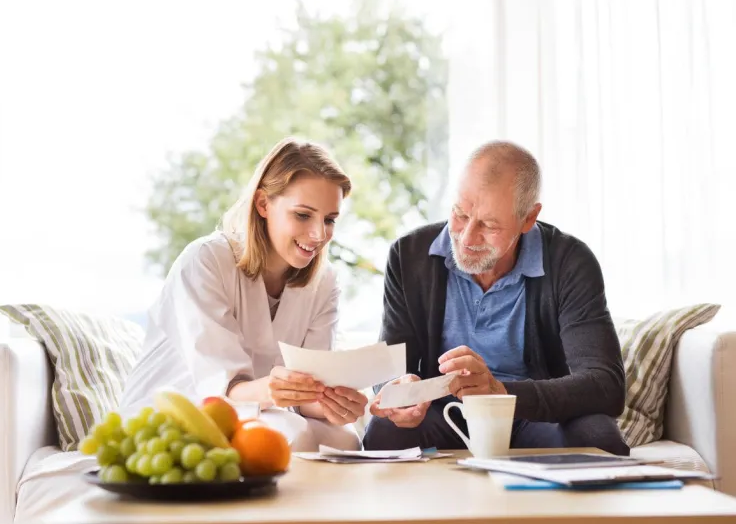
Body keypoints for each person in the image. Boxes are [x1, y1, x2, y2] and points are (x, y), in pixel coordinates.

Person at [363, 140, 630, 456]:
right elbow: (390, 367)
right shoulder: (408, 256)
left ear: (528, 219)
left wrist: (499, 392)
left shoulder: (570, 262)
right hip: (447, 413)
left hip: (532, 415)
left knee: (598, 435)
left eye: (489, 225)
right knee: (384, 432)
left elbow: (605, 385)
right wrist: (399, 392)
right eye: (460, 214)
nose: (466, 237)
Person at [119, 137, 367, 451]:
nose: (319, 235)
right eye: (303, 215)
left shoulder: (325, 281)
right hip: (184, 411)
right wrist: (276, 391)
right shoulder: (205, 260)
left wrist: (335, 404)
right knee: (291, 434)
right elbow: (224, 388)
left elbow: (308, 401)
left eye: (329, 220)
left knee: (346, 439)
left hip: (257, 412)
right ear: (263, 204)